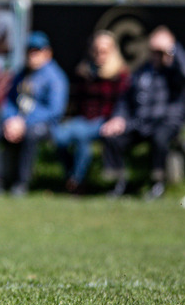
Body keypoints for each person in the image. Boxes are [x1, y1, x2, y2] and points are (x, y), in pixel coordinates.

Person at [100, 26, 185, 199]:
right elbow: (125, 99)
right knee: (112, 137)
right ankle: (119, 183)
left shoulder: (175, 71)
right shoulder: (142, 71)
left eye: (160, 51)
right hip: (140, 122)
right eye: (154, 51)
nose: (156, 55)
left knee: (160, 138)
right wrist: (118, 118)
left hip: (166, 122)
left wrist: (173, 50)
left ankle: (157, 184)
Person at [0, 31, 68, 197]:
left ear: (47, 53)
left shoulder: (55, 77)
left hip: (43, 126)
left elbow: (54, 111)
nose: (32, 55)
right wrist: (10, 119)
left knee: (31, 135)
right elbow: (9, 101)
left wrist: (23, 122)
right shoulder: (21, 74)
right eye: (30, 51)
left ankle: (21, 183)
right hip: (15, 124)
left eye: (37, 51)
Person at [52, 31, 130, 193]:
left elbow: (123, 103)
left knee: (81, 138)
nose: (99, 55)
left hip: (106, 120)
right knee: (58, 136)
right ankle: (70, 176)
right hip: (83, 119)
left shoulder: (120, 74)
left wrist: (116, 120)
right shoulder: (85, 72)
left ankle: (76, 182)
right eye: (96, 50)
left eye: (104, 51)